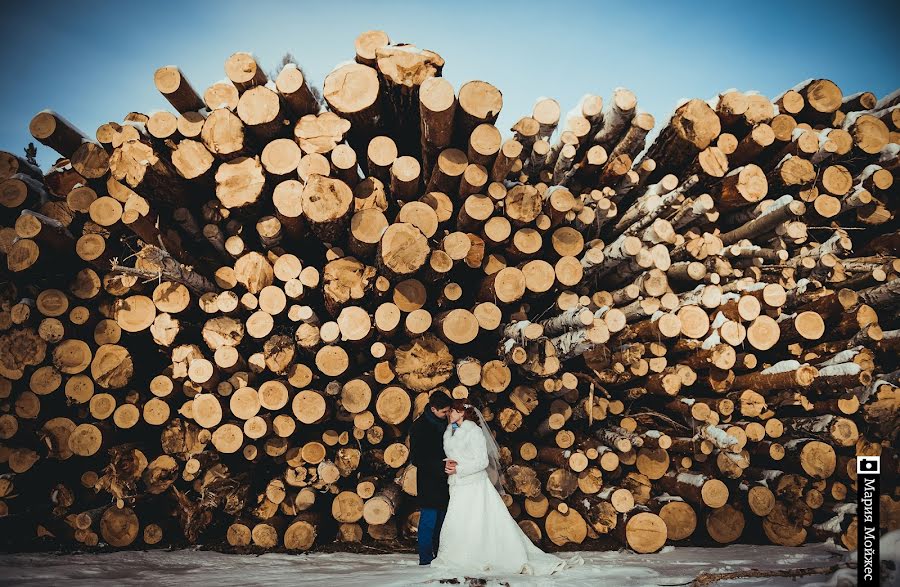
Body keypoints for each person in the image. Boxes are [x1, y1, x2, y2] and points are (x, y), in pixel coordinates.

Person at [430, 399, 582, 575]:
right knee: (460, 520)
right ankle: (457, 556)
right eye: (450, 412)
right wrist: (448, 464)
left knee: (475, 520)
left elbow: (481, 461)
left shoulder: (474, 433)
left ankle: (478, 556)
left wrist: (459, 468)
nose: (450, 414)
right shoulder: (451, 432)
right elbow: (457, 455)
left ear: (463, 413)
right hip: (457, 484)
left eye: (454, 411)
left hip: (474, 484)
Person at [408, 390, 453, 565]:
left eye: (449, 410)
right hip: (429, 482)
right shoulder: (419, 427)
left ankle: (439, 555)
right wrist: (440, 466)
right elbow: (417, 458)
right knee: (428, 522)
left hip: (445, 482)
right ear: (433, 409)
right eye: (444, 411)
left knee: (442, 522)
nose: (447, 414)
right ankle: (426, 559)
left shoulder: (447, 422)